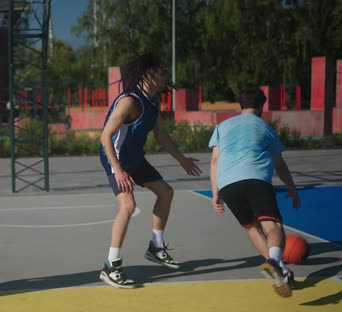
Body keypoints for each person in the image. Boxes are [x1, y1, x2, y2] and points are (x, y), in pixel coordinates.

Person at [98, 52, 202, 288]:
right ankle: (111, 266)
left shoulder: (153, 102)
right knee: (128, 206)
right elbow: (105, 136)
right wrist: (118, 170)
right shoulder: (130, 101)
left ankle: (156, 246)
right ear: (148, 75)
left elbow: (161, 135)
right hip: (114, 158)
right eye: (161, 72)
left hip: (134, 158)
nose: (166, 76)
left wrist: (182, 159)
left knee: (166, 192)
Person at [208, 88, 301, 298]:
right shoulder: (265, 127)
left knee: (251, 227)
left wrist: (215, 193)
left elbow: (215, 160)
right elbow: (279, 164)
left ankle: (282, 271)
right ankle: (274, 262)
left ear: (240, 105)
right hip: (255, 179)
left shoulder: (222, 127)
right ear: (261, 106)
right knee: (273, 226)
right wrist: (292, 188)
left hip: (227, 184)